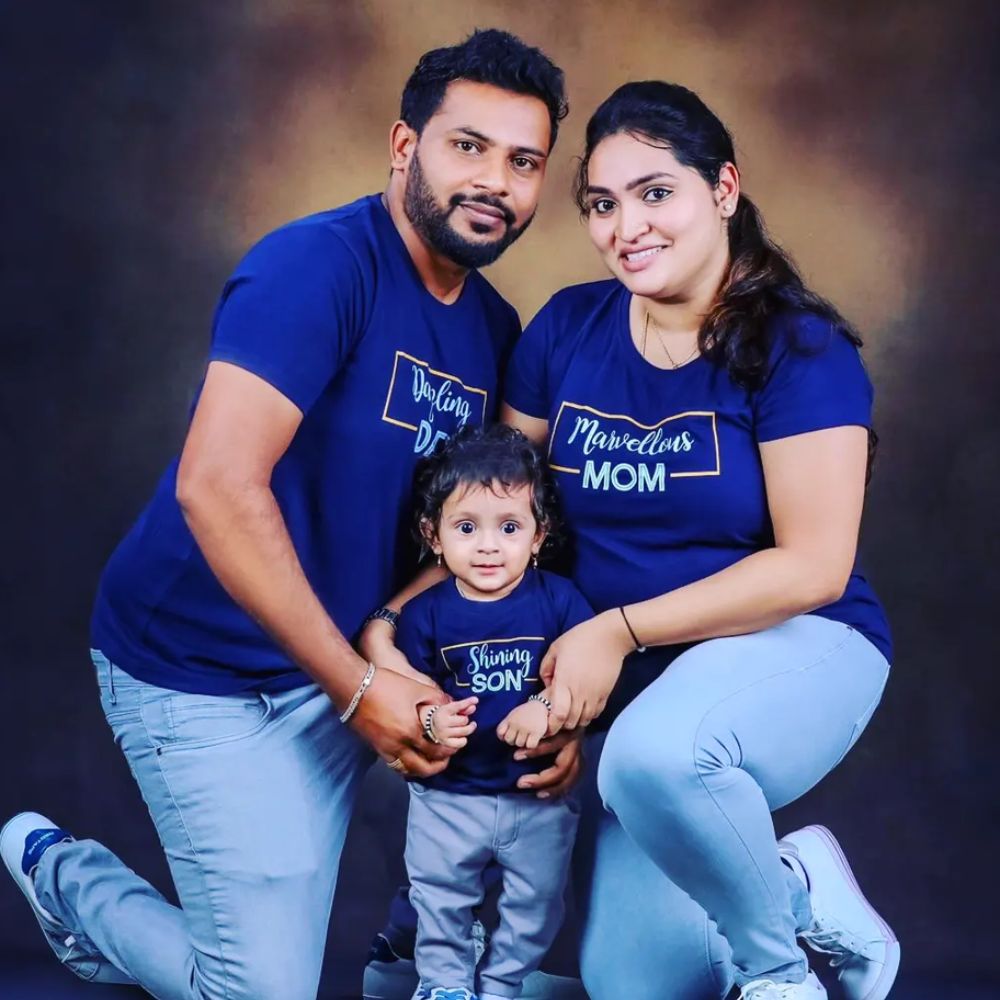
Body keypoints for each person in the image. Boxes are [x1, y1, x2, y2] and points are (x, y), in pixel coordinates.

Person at [0, 30, 573, 1000]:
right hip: (203, 671)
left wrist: (447, 668)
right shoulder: (317, 267)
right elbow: (215, 485)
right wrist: (358, 687)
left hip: (345, 659)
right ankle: (65, 875)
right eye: (468, 147)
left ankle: (413, 955)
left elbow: (477, 538)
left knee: (512, 768)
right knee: (258, 992)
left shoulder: (492, 331)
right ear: (404, 146)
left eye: (524, 161)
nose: (495, 181)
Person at [498, 81, 899, 1000]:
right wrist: (555, 699)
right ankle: (798, 890)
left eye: (655, 193)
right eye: (602, 204)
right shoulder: (566, 330)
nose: (626, 227)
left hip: (803, 644)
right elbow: (510, 522)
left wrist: (616, 632)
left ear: (723, 189)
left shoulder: (800, 349)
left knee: (656, 755)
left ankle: (779, 977)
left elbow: (814, 566)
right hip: (643, 700)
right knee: (637, 988)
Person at [393, 424, 592, 1000]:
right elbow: (408, 691)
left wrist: (546, 705)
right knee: (439, 896)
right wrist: (430, 719)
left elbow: (583, 677)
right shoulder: (425, 614)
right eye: (466, 528)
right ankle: (445, 984)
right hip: (449, 799)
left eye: (509, 528)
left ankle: (503, 983)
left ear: (538, 534)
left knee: (537, 903)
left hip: (535, 796)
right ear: (433, 535)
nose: (488, 546)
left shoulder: (559, 600)